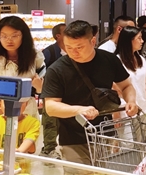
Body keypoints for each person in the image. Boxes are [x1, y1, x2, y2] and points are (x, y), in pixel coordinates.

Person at [41, 21, 137, 164]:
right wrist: (80, 110)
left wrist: (131, 101)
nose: (73, 52)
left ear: (93, 41)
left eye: (79, 47)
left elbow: (126, 86)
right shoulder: (56, 69)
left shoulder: (109, 60)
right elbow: (51, 107)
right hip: (73, 137)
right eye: (68, 47)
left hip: (104, 133)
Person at [0, 16, 44, 120]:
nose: (9, 40)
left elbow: (43, 87)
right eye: (4, 36)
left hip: (28, 114)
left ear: (23, 36)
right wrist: (9, 118)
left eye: (14, 36)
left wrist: (39, 88)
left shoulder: (35, 57)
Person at [40, 23, 66, 157]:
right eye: (66, 31)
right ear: (58, 36)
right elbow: (40, 72)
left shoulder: (72, 50)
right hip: (51, 93)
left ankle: (65, 146)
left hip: (68, 93)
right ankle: (48, 148)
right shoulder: (49, 52)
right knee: (50, 121)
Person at [116, 26, 146, 119]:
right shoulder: (117, 60)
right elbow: (114, 89)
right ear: (129, 40)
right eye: (139, 38)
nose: (142, 41)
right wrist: (115, 113)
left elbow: (145, 86)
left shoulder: (141, 59)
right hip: (126, 110)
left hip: (143, 108)